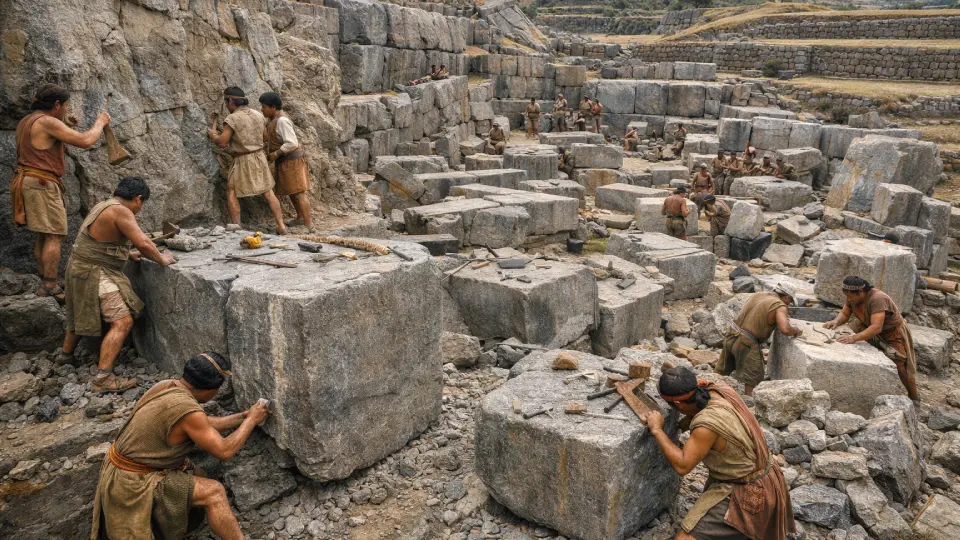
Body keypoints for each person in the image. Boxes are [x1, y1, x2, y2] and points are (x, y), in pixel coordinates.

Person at [91, 352, 271, 540]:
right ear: (209, 389)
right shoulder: (188, 412)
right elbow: (224, 450)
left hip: (118, 468)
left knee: (199, 474)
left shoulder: (166, 386)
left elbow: (200, 424)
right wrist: (251, 422)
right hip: (134, 482)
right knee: (215, 492)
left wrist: (242, 417)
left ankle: (184, 525)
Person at [643, 366, 796, 540]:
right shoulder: (719, 390)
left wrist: (657, 430)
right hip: (770, 477)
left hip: (747, 492)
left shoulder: (706, 426)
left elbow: (682, 465)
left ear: (678, 403)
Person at [59, 177, 176, 393]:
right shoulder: (122, 211)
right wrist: (161, 259)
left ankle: (65, 357)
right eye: (142, 204)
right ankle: (103, 378)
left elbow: (99, 242)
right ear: (138, 199)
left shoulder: (102, 205)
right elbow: (142, 242)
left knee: (78, 312)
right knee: (122, 321)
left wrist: (126, 254)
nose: (140, 209)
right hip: (94, 271)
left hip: (79, 267)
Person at [10, 84, 111, 302]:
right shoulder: (48, 122)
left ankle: (45, 279)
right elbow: (85, 141)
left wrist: (65, 124)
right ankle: (50, 285)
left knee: (44, 234)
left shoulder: (28, 121)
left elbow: (44, 140)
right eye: (65, 106)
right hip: (42, 183)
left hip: (30, 180)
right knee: (55, 234)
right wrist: (100, 123)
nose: (66, 110)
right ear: (56, 105)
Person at [823, 276, 919, 401]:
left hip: (891, 332)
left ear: (861, 292)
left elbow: (876, 328)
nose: (848, 299)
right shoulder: (851, 297)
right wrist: (835, 321)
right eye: (847, 296)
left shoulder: (878, 299)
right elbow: (846, 313)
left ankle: (914, 396)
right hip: (866, 324)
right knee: (842, 332)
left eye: (851, 296)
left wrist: (854, 338)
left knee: (900, 364)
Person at [207, 87, 287, 234]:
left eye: (226, 101)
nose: (226, 105)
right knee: (268, 192)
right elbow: (265, 137)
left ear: (231, 101)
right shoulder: (258, 114)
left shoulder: (232, 119)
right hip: (259, 157)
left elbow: (223, 142)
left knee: (231, 190)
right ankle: (281, 226)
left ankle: (237, 227)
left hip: (243, 159)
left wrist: (213, 135)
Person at [716, 285, 802, 396]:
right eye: (789, 301)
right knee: (753, 377)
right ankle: (749, 402)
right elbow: (785, 329)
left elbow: (757, 314)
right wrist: (796, 330)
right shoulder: (779, 306)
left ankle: (712, 392)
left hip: (731, 334)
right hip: (746, 342)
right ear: (786, 297)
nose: (789, 304)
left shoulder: (758, 295)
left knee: (721, 371)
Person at [259, 92, 312, 231]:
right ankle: (300, 218)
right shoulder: (273, 120)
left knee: (299, 192)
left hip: (292, 161)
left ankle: (308, 224)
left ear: (273, 107)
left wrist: (275, 154)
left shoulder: (282, 121)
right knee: (292, 191)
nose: (262, 109)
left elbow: (291, 143)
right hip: (285, 161)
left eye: (264, 107)